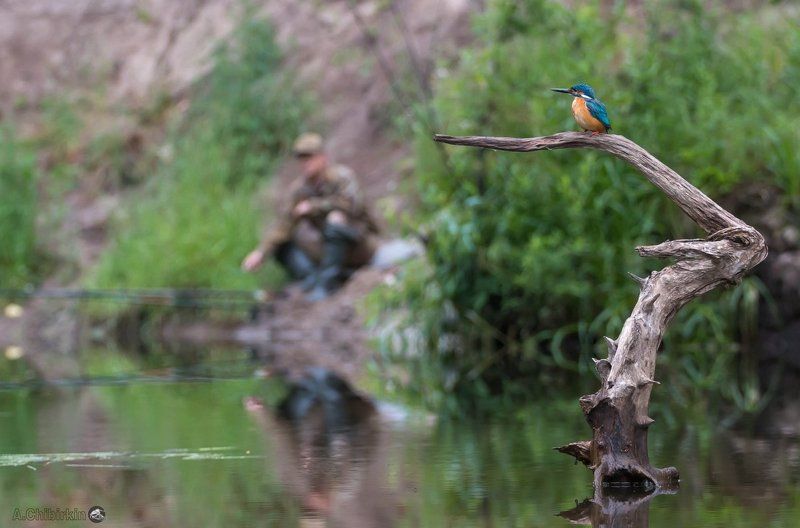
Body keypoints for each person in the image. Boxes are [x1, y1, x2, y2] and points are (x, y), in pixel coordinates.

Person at [241, 133, 378, 300]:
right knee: (282, 241)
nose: (305, 163)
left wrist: (314, 206)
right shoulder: (300, 189)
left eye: (310, 157)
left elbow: (352, 206)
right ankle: (312, 278)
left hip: (359, 243)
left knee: (336, 218)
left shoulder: (342, 177)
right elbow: (284, 224)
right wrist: (261, 252)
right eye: (302, 158)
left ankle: (328, 284)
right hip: (330, 246)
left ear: (323, 157)